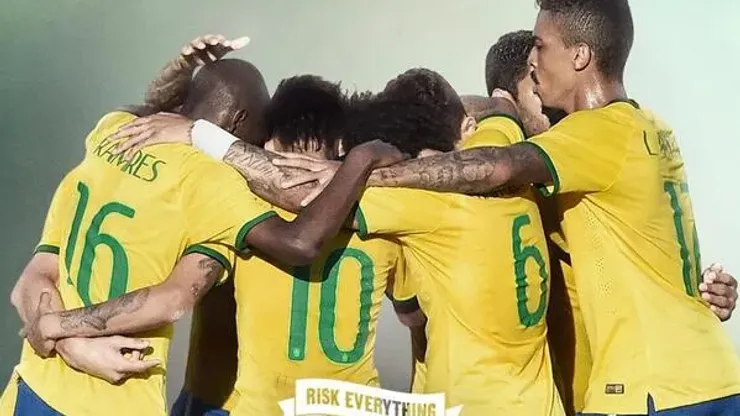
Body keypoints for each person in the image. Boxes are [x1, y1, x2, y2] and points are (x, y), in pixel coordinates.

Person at [271, 1, 740, 414]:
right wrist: (705, 289)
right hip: (702, 375)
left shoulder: (588, 137)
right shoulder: (648, 129)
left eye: (541, 48)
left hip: (647, 390)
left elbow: (495, 165)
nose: (535, 63)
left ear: (580, 56)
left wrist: (357, 171)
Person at [111, 68, 566, 416]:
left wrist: (197, 130)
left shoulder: (242, 200)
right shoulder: (415, 204)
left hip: (231, 401)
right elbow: (414, 318)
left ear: (268, 141)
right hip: (507, 401)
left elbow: (297, 201)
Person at [6, 41, 405, 416]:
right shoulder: (215, 185)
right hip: (117, 398)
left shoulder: (114, 129)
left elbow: (33, 277)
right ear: (239, 120)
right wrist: (363, 158)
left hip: (33, 384)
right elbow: (292, 245)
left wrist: (64, 339)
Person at [470, 29, 740, 416]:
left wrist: (704, 290)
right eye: (534, 81)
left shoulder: (592, 145)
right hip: (605, 393)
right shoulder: (502, 198)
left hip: (640, 392)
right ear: (507, 102)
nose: (545, 90)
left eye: (543, 67)